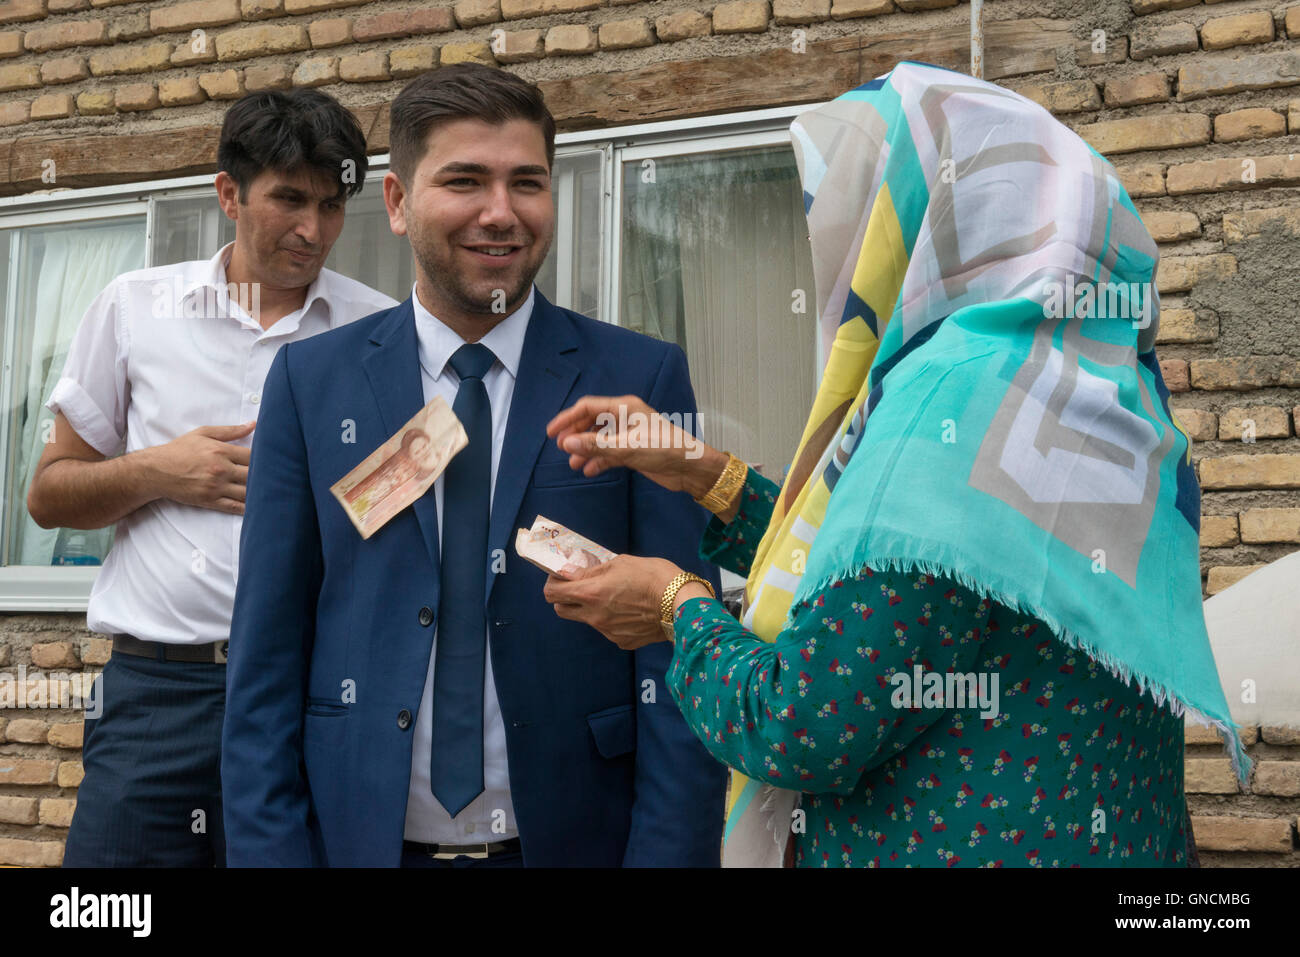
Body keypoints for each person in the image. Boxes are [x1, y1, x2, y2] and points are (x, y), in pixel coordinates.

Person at [544, 61, 1245, 868]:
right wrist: (710, 476)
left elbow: (801, 724)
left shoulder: (949, 391)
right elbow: (917, 577)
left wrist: (676, 606)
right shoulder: (1102, 387)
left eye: (858, 207)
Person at [221, 64, 726, 867]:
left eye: (527, 182)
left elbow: (680, 658)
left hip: (569, 843)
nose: (501, 213)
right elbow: (266, 659)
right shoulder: (313, 385)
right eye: (465, 181)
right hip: (362, 844)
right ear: (395, 203)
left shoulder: (638, 379)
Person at [26, 89, 397, 867]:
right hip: (158, 695)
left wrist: (335, 498)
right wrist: (162, 470)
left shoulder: (380, 332)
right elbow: (50, 493)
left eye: (332, 205)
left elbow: (404, 521)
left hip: (314, 692)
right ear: (228, 193)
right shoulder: (134, 309)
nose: (313, 229)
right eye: (289, 199)